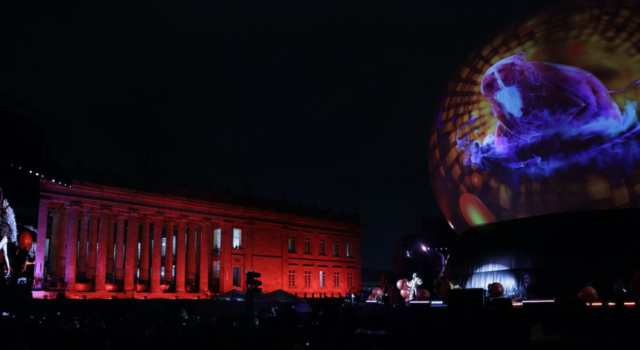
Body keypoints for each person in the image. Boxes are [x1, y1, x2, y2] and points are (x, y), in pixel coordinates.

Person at [0, 187, 17, 279]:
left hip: (6, 235)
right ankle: (9, 269)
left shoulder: (7, 211)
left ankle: (9, 270)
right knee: (5, 254)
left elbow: (12, 224)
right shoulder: (4, 210)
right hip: (5, 234)